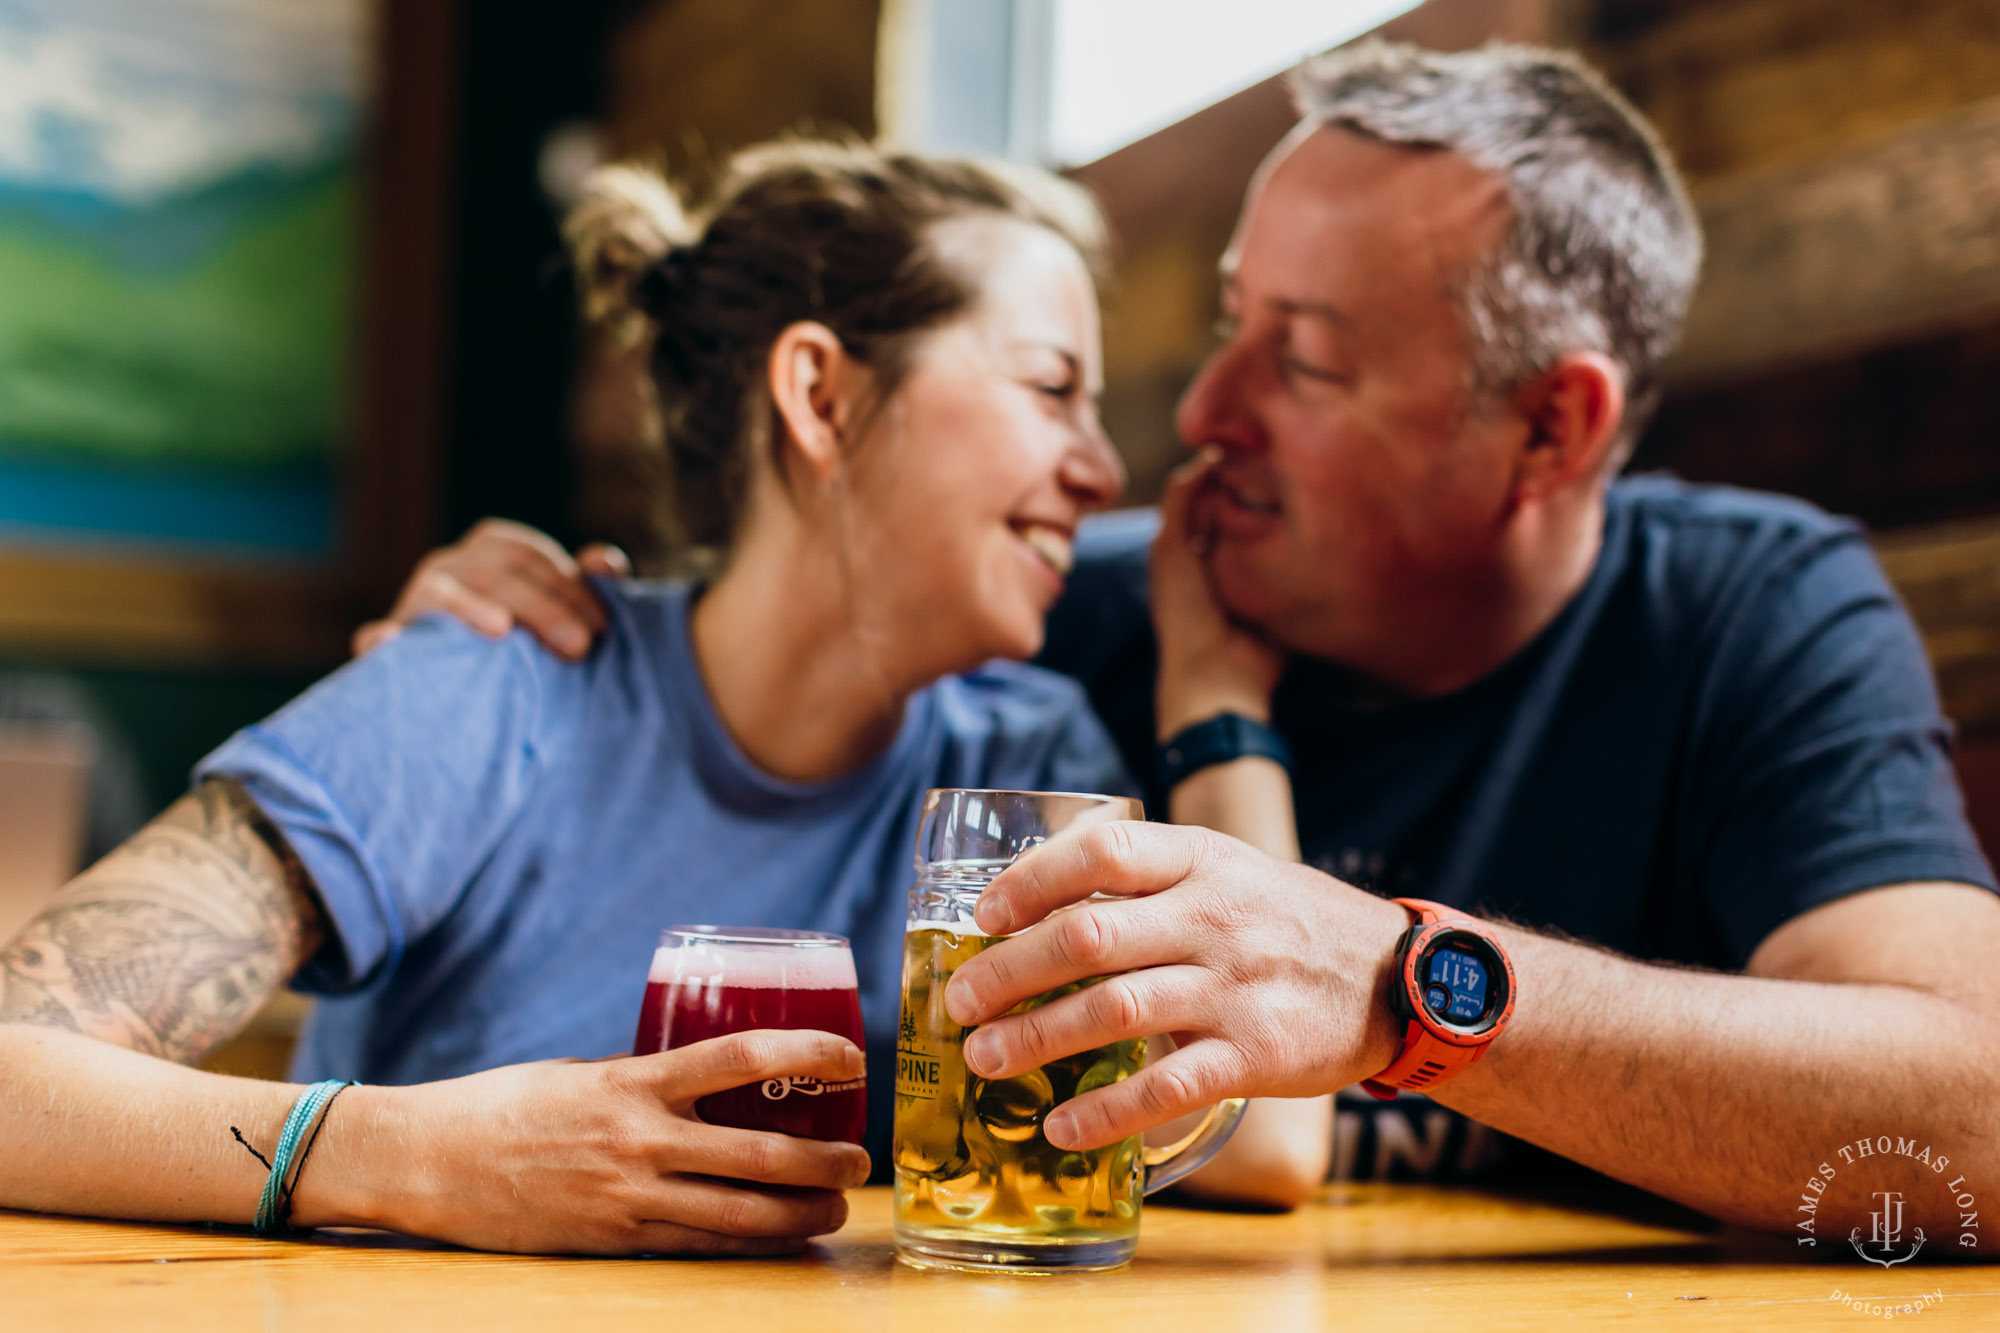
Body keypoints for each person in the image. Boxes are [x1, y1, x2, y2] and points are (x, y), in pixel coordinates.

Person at [394, 43, 2000, 1238]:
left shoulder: (1753, 614)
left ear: (1550, 430)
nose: (1203, 413)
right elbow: (734, 651)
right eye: (1231, 321)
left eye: (1300, 360)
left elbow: (1976, 1119)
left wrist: (1396, 985)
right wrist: (528, 618)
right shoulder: (1071, 606)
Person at [0, 139, 1324, 1257]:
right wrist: (414, 1153)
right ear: (820, 393)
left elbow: (1265, 1134)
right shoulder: (490, 680)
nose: (1102, 465)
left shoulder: (1022, 766)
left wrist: (1215, 690)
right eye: (1051, 388)